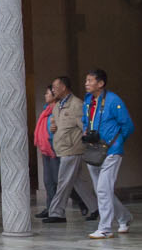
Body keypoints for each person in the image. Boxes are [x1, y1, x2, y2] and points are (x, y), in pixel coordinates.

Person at [81, 70, 134, 240]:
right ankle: (124, 217)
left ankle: (105, 228)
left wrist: (116, 141)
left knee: (103, 189)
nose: (86, 83)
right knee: (102, 190)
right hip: (93, 150)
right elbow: (85, 120)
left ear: (101, 83)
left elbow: (127, 125)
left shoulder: (113, 100)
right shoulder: (88, 100)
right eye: (86, 80)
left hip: (111, 150)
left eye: (90, 80)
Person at [40, 75, 98, 225]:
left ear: (63, 87)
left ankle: (57, 212)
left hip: (72, 149)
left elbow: (84, 126)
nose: (52, 90)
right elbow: (59, 125)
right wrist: (53, 128)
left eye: (54, 87)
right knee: (77, 182)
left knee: (63, 181)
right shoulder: (58, 106)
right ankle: (95, 207)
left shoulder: (76, 104)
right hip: (62, 148)